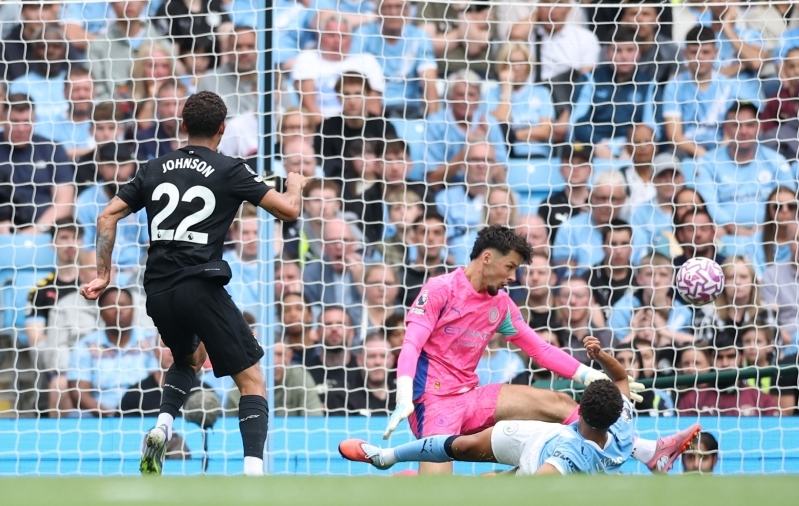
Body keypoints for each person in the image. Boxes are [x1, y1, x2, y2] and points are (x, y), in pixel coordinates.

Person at [79, 91, 308, 476]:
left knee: (191, 358)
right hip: (199, 286)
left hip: (157, 291)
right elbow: (288, 210)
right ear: (222, 128)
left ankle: (162, 426)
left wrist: (103, 274)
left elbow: (106, 217)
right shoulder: (230, 168)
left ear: (182, 126)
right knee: (252, 382)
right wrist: (296, 183)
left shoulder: (153, 167)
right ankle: (254, 475)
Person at [380, 224, 688, 475]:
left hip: (472, 396)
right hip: (433, 401)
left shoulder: (501, 305)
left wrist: (591, 377)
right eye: (511, 266)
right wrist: (405, 395)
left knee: (558, 403)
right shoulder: (440, 289)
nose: (514, 276)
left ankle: (647, 451)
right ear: (487, 258)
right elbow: (411, 344)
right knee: (437, 490)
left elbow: (539, 350)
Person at [340, 336, 701, 475]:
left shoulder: (573, 454)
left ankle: (389, 458)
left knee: (462, 448)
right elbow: (621, 381)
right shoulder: (621, 421)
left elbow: (537, 485)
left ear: (584, 412)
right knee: (464, 447)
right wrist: (601, 357)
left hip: (536, 449)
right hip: (551, 441)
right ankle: (654, 451)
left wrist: (599, 358)